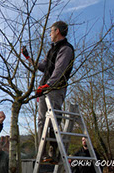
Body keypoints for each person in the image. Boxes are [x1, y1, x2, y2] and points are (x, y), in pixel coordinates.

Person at [22, 21, 75, 159]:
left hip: (55, 88)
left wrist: (48, 85)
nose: (50, 34)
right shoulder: (52, 50)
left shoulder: (66, 49)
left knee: (53, 119)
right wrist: (28, 58)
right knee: (41, 121)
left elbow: (59, 70)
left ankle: (54, 152)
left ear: (57, 31)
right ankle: (42, 152)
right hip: (45, 88)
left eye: (51, 31)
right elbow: (42, 67)